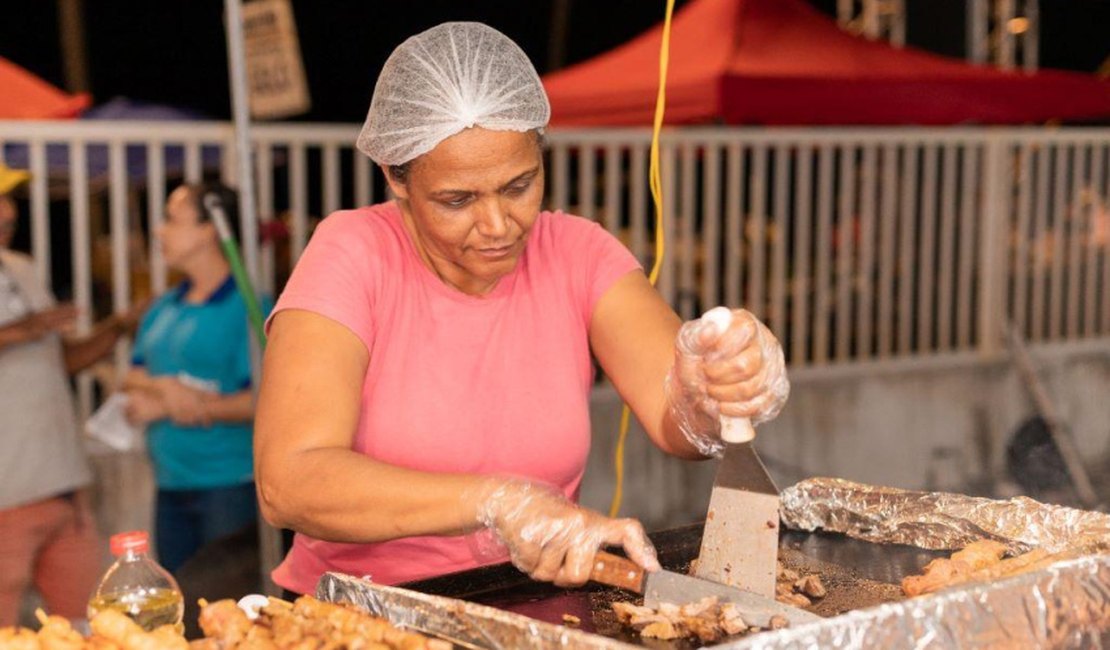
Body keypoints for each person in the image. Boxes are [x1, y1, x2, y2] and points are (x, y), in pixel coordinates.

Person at [255, 22, 789, 596]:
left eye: (518, 186)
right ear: (395, 177)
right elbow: (290, 481)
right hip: (360, 612)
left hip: (529, 603)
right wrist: (496, 501)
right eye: (457, 200)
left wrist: (711, 388)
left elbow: (678, 424)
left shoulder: (577, 253)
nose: (497, 226)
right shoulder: (353, 252)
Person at [0, 163, 143, 626]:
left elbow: (60, 361)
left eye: (10, 201)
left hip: (62, 485)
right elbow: (24, 337)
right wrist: (16, 332)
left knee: (88, 627)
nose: (7, 214)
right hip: (6, 495)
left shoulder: (21, 267)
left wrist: (118, 327)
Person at [122, 182, 272, 573]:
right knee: (181, 605)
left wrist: (196, 406)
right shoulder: (165, 306)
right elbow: (132, 376)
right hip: (170, 483)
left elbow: (266, 398)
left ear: (209, 230)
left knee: (226, 605)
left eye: (171, 220)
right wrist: (167, 391)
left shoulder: (251, 307)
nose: (158, 231)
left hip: (229, 485)